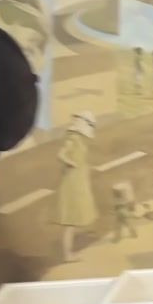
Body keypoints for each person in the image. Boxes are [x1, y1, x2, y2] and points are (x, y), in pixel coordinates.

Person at [53, 112, 99, 263]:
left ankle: (68, 253)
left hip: (77, 180)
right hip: (72, 182)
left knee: (72, 219)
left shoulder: (78, 138)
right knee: (70, 220)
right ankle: (67, 255)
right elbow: (61, 155)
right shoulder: (73, 137)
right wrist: (72, 164)